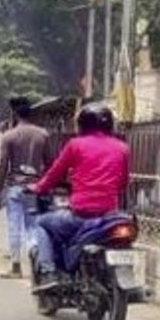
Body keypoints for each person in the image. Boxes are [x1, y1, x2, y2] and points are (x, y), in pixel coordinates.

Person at [29, 103, 129, 292]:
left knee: (42, 223)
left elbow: (54, 174)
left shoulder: (76, 145)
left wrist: (38, 188)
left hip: (81, 216)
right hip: (108, 216)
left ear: (83, 124)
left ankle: (49, 272)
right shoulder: (122, 148)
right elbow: (123, 182)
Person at [0, 97, 50, 278]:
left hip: (15, 187)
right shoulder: (42, 134)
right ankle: (36, 261)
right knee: (33, 227)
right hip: (35, 186)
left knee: (14, 227)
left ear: (14, 114)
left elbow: (3, 164)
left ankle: (16, 267)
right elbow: (49, 163)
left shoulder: (9, 136)